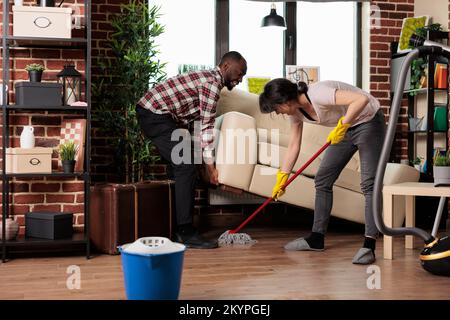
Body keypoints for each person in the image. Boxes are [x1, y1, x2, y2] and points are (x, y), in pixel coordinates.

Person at [259, 79, 385, 264]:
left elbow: (360, 100)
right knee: (322, 180)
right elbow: (294, 145)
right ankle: (317, 238)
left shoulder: (319, 93)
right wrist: (282, 177)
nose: (278, 113)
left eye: (276, 109)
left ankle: (369, 244)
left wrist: (343, 125)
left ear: (285, 101)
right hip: (346, 128)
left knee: (369, 184)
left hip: (368, 121)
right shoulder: (295, 113)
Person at [136, 51, 247, 249]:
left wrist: (204, 165)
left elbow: (196, 127)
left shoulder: (209, 80)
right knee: (185, 165)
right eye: (240, 73)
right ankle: (185, 232)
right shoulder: (212, 84)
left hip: (157, 115)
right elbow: (205, 128)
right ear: (226, 66)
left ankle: (174, 226)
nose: (241, 78)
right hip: (155, 114)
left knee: (181, 166)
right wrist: (211, 168)